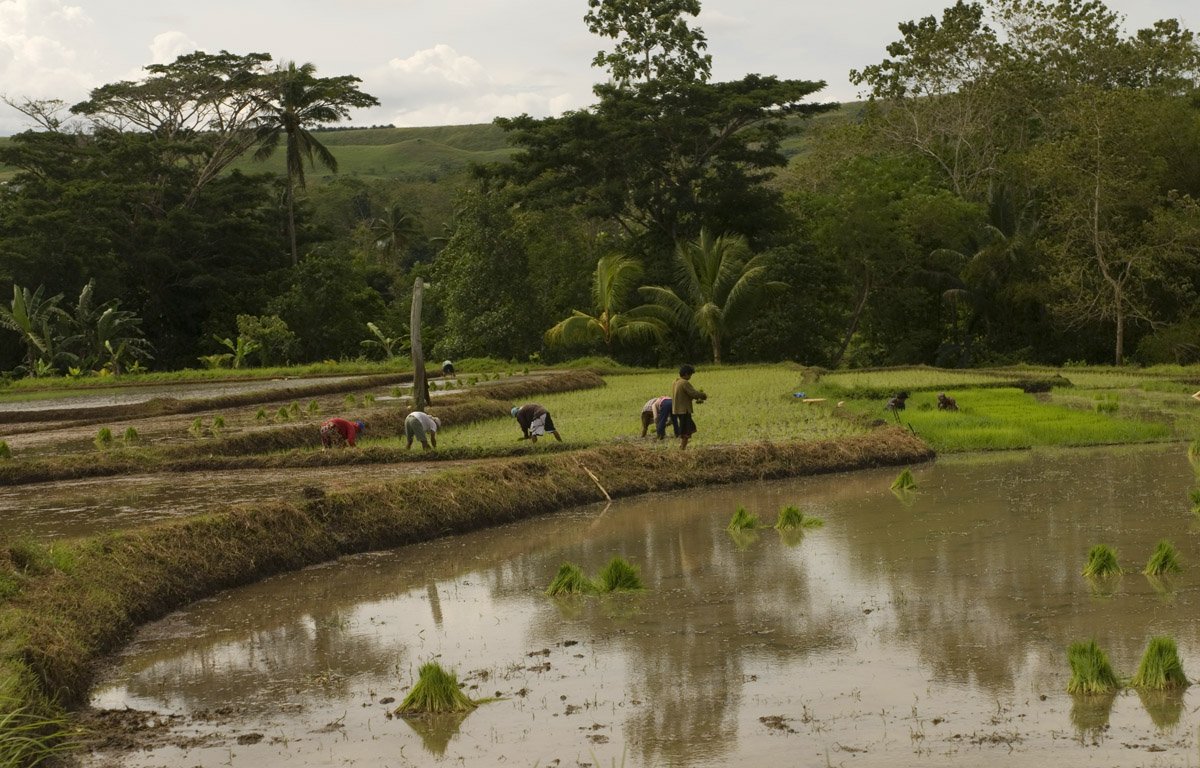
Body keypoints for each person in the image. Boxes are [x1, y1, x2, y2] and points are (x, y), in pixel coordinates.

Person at [671, 364, 706, 450]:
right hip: (684, 410)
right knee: (686, 430)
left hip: (677, 409)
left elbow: (685, 395)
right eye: (690, 375)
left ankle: (682, 446)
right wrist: (702, 395)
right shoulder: (684, 382)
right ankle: (682, 448)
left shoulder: (676, 381)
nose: (690, 377)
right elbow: (692, 393)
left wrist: (696, 398)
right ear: (686, 374)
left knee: (686, 427)